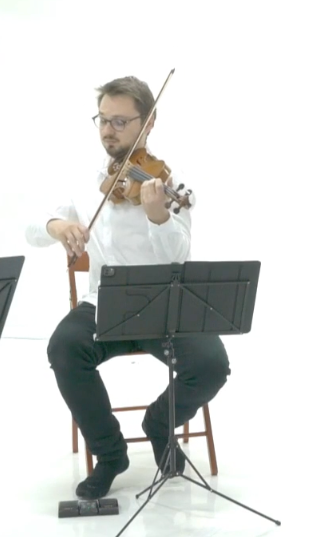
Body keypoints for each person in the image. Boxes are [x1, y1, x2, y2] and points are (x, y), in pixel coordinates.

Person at [25, 76, 231, 500]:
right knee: (64, 348)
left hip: (165, 304)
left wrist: (159, 216)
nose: (108, 130)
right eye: (103, 120)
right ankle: (110, 453)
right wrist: (57, 226)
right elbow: (31, 228)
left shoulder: (169, 180)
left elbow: (178, 256)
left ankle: (159, 422)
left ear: (148, 122)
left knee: (211, 364)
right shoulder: (87, 179)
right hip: (104, 302)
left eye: (120, 122)